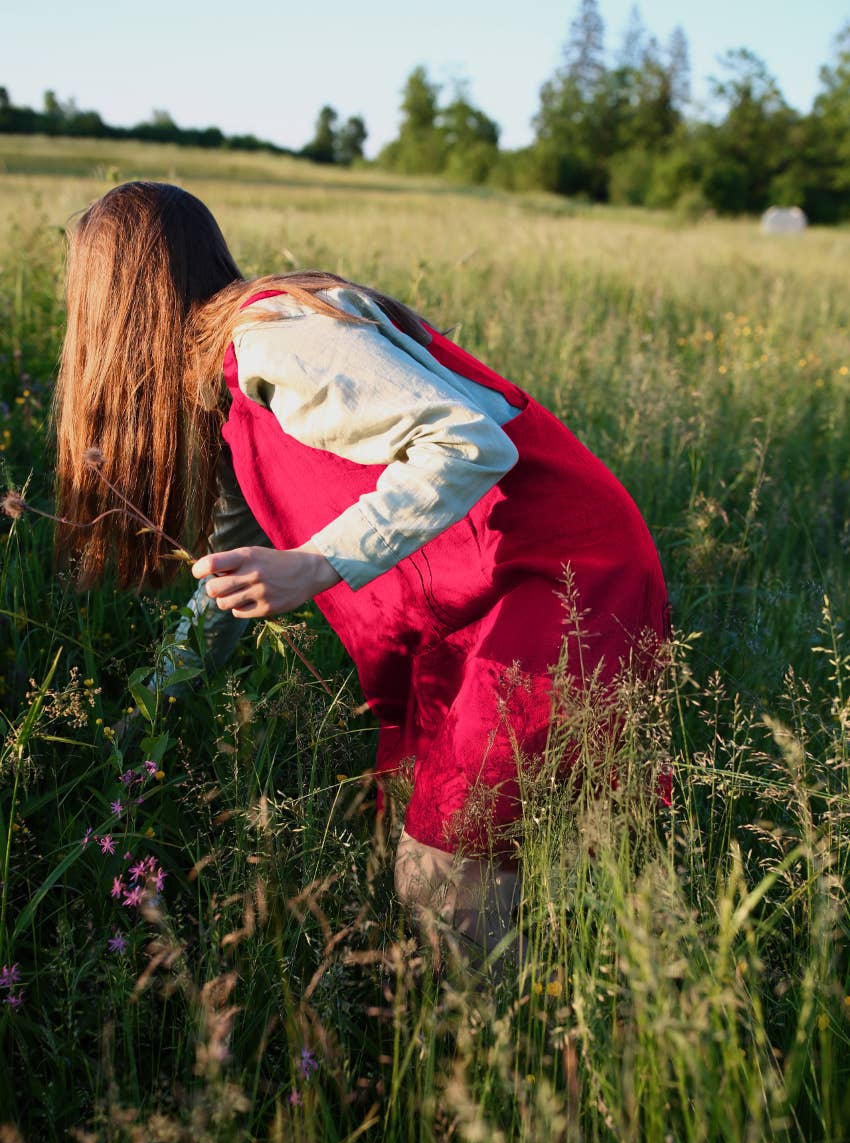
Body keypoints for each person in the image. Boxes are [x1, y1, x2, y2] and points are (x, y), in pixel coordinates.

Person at [54, 181, 669, 961]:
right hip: (482, 593)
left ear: (118, 303)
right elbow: (230, 585)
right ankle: (540, 1023)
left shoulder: (274, 338)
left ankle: (527, 1061)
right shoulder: (227, 382)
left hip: (558, 574)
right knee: (454, 850)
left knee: (442, 873)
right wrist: (143, 719)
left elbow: (469, 442)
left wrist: (315, 563)